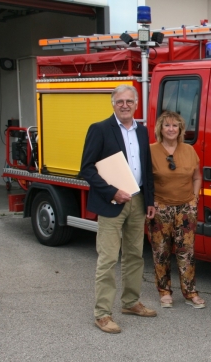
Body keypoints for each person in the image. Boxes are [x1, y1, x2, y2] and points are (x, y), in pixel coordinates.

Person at [80, 84, 157, 334]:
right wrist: (112, 191)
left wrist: (149, 201)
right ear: (113, 104)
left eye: (129, 101)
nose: (125, 105)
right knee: (108, 258)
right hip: (111, 202)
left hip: (137, 200)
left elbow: (147, 169)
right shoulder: (100, 129)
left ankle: (131, 302)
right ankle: (102, 314)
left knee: (135, 256)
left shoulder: (143, 131)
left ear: (136, 104)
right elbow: (87, 168)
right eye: (120, 101)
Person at [147, 110, 205, 309]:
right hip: (160, 208)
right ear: (160, 129)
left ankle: (190, 292)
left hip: (186, 208)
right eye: (167, 125)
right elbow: (144, 181)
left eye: (175, 125)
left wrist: (195, 199)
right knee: (161, 251)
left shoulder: (189, 151)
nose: (171, 129)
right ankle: (164, 292)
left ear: (180, 129)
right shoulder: (151, 151)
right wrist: (150, 202)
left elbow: (197, 177)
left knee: (186, 251)